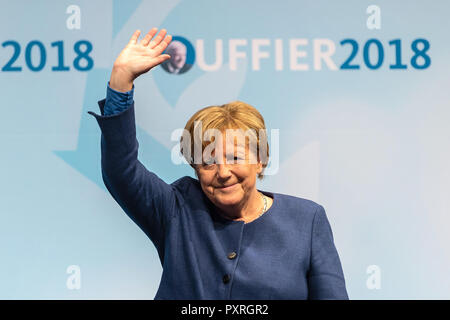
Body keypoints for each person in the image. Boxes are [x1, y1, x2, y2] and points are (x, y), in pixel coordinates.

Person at [88, 28, 349, 299]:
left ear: (260, 160)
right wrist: (120, 80)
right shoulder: (177, 209)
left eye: (235, 158)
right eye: (208, 162)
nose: (223, 173)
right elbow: (121, 171)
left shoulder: (307, 220)